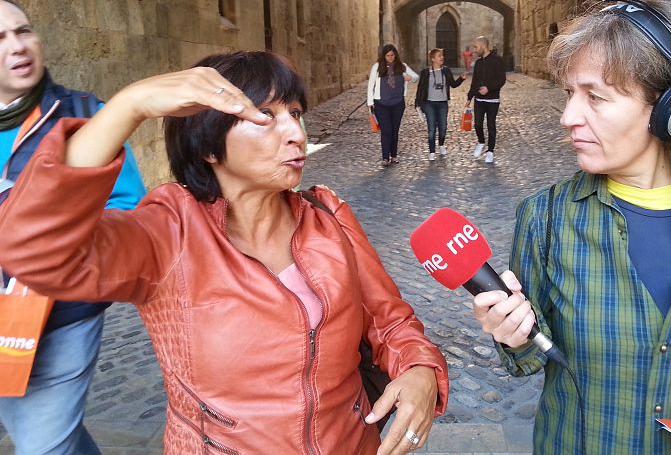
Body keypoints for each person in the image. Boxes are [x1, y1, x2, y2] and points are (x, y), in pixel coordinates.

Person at [0, 50, 448, 455]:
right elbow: (33, 250)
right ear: (209, 145)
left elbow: (389, 319)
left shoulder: (327, 213)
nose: (295, 133)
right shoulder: (168, 233)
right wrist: (129, 106)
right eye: (265, 116)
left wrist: (419, 367)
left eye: (294, 113)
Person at [472, 0, 671, 454]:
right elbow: (527, 360)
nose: (567, 117)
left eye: (595, 97)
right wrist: (513, 332)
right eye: (569, 93)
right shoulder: (546, 218)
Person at [0, 0, 146, 455]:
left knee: (43, 446)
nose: (17, 46)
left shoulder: (84, 115)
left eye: (23, 31)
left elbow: (127, 209)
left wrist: (55, 245)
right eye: (0, 39)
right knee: (46, 435)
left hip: (56, 316)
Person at [367, 44, 419, 167]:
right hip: (381, 103)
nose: (390, 58)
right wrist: (370, 102)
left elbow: (416, 77)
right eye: (388, 55)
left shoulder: (402, 66)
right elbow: (371, 84)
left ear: (395, 55)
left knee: (395, 130)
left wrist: (409, 77)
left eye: (392, 55)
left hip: (397, 103)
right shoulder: (377, 67)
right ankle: (385, 157)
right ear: (384, 56)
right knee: (386, 130)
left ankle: (394, 155)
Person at [414, 48, 466, 161]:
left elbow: (453, 84)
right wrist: (417, 103)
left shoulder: (446, 71)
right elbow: (420, 88)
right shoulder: (425, 72)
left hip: (443, 103)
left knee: (443, 127)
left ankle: (441, 145)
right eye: (439, 56)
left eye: (442, 55)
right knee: (432, 128)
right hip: (429, 103)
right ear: (433, 59)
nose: (442, 57)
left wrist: (461, 79)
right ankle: (432, 151)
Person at [466, 36, 505, 164]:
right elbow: (474, 82)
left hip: (492, 100)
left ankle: (490, 151)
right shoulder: (478, 63)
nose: (474, 50)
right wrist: (469, 97)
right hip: (479, 99)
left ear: (483, 46)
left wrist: (489, 88)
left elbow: (501, 79)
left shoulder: (497, 60)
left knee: (491, 125)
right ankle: (481, 142)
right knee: (477, 124)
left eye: (476, 47)